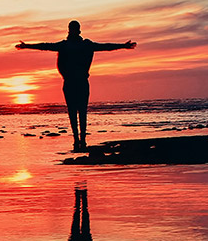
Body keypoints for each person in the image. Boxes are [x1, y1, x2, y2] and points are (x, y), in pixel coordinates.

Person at [15, 20, 136, 151]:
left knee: (80, 111)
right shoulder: (73, 45)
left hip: (77, 82)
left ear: (72, 30)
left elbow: (105, 46)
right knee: (75, 111)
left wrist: (123, 46)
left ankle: (81, 139)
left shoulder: (76, 45)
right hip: (74, 82)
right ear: (77, 30)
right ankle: (77, 139)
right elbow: (46, 46)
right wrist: (27, 46)